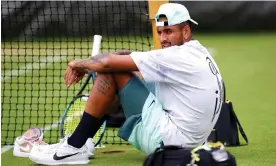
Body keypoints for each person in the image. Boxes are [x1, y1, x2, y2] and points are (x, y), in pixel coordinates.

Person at [28, 3, 224, 165]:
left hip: (169, 143)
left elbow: (107, 63)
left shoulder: (176, 56)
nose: (163, 39)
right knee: (118, 68)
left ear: (186, 31)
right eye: (160, 32)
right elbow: (127, 58)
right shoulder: (197, 52)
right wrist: (97, 62)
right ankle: (84, 142)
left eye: (169, 31)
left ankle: (72, 147)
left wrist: (79, 64)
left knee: (111, 71)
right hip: (192, 143)